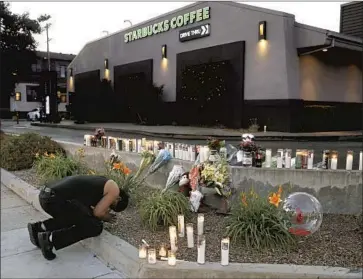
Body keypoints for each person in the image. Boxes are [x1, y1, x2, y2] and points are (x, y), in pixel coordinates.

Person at [27, 175, 129, 261]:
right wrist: (105, 216)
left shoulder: (102, 182)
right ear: (118, 198)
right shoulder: (114, 190)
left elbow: (86, 209)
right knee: (95, 226)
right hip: (55, 200)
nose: (109, 207)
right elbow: (98, 213)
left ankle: (39, 227)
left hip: (46, 196)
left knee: (78, 217)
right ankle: (50, 239)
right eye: (111, 205)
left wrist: (99, 213)